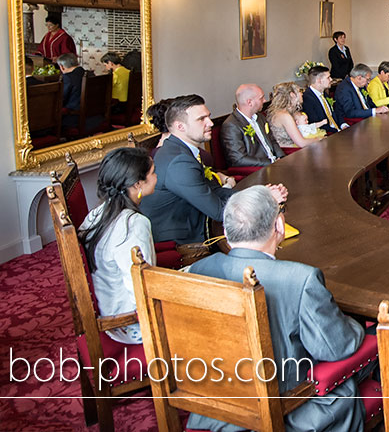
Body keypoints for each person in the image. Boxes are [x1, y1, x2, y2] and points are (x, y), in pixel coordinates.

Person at [187, 187, 372, 432]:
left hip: (218, 408)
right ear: (279, 226)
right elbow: (335, 347)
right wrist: (358, 326)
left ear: (227, 233)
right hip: (292, 406)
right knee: (376, 341)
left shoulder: (200, 270)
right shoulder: (300, 279)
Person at [139, 94, 287, 244]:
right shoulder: (179, 162)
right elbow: (218, 211)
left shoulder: (178, 150)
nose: (210, 123)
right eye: (201, 119)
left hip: (198, 223)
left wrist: (259, 193)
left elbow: (214, 190)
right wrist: (264, 200)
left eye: (208, 117)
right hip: (185, 240)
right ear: (180, 126)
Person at [77, 147, 157, 345]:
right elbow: (141, 288)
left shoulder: (96, 214)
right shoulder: (133, 224)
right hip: (132, 324)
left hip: (111, 308)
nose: (156, 177)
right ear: (138, 184)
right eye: (153, 173)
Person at [221, 83, 285, 167]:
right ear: (249, 102)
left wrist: (282, 158)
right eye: (261, 98)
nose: (265, 100)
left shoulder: (260, 117)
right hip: (258, 170)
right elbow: (239, 159)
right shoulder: (231, 125)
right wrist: (271, 163)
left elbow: (272, 141)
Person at [267, 82, 324, 150]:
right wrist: (319, 139)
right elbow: (301, 143)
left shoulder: (283, 111)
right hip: (289, 151)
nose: (302, 93)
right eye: (300, 91)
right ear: (292, 95)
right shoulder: (285, 115)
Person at [302, 65, 343, 133]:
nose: (331, 79)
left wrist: (342, 124)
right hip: (326, 133)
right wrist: (337, 131)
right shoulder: (307, 98)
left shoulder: (324, 94)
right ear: (319, 81)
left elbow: (335, 112)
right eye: (328, 77)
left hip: (336, 129)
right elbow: (317, 124)